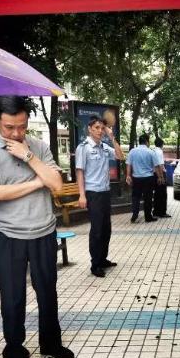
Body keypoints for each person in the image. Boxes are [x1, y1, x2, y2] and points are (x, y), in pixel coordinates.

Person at [0, 96, 74, 358]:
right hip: (8, 234)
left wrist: (28, 156)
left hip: (43, 230)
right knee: (13, 298)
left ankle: (50, 343)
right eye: (9, 127)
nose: (17, 133)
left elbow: (57, 184)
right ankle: (16, 354)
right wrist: (38, 180)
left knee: (48, 292)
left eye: (22, 126)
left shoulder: (38, 146)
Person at [75, 115, 117, 278]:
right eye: (96, 128)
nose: (100, 131)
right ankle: (95, 264)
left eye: (102, 128)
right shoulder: (83, 148)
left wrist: (112, 138)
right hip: (93, 193)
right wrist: (82, 195)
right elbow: (80, 171)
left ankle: (103, 259)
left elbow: (120, 156)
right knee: (97, 230)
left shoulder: (105, 147)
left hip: (105, 192)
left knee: (106, 228)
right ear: (89, 129)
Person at [126, 133, 160, 223]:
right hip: (148, 178)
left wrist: (128, 175)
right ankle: (148, 217)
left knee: (135, 197)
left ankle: (135, 214)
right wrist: (160, 177)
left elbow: (128, 164)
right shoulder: (150, 152)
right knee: (148, 198)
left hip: (136, 178)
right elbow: (156, 166)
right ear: (147, 142)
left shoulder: (132, 151)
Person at [152, 136, 171, 218]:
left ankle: (156, 211)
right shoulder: (159, 152)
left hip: (154, 174)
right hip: (160, 173)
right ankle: (162, 212)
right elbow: (160, 165)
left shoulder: (153, 151)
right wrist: (161, 177)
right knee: (163, 194)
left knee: (157, 193)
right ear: (162, 144)